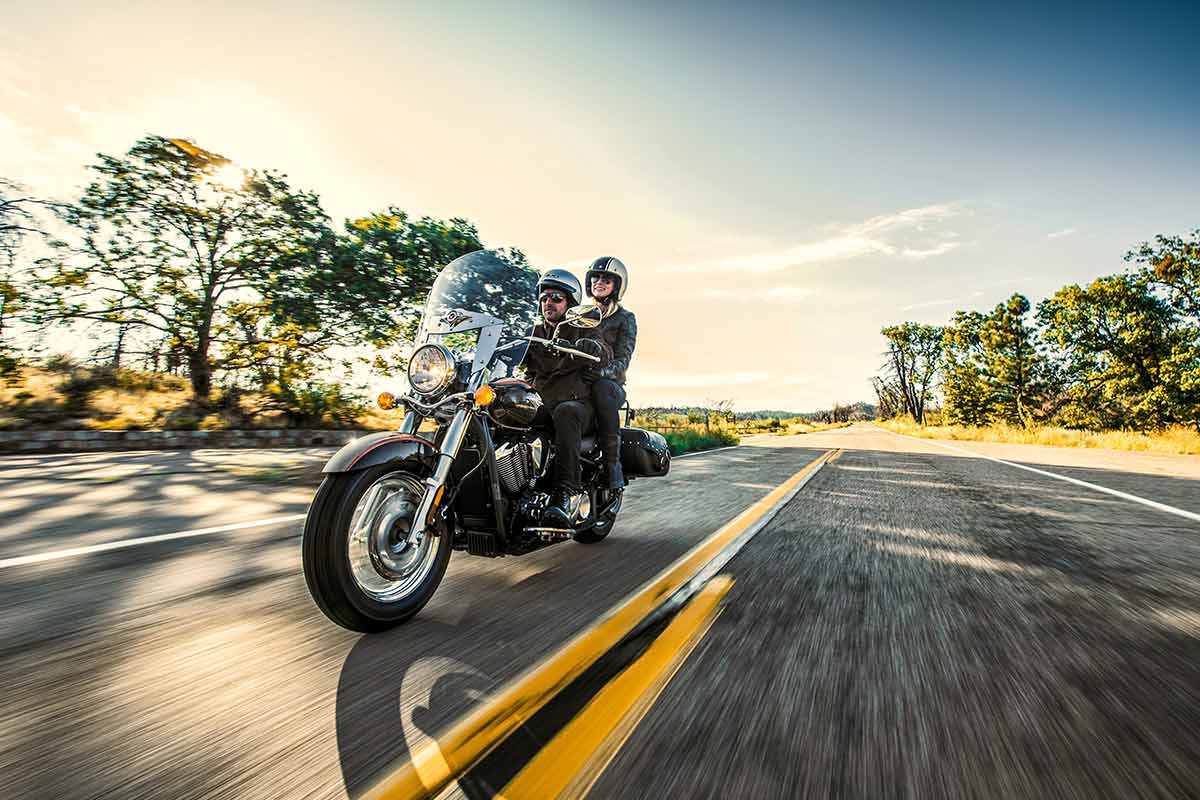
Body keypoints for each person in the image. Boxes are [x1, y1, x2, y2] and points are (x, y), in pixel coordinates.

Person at [523, 269, 610, 527]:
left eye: (555, 298)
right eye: (544, 298)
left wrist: (593, 347)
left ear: (570, 303)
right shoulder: (532, 332)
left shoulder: (583, 328)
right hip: (542, 402)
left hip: (577, 405)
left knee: (566, 412)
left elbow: (604, 351)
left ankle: (565, 493)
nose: (547, 302)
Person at [583, 256, 637, 490]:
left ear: (617, 286)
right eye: (595, 277)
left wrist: (601, 373)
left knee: (602, 388)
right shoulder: (580, 315)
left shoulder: (625, 318)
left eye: (606, 279)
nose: (599, 282)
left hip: (611, 386)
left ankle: (612, 465)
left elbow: (623, 359)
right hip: (581, 380)